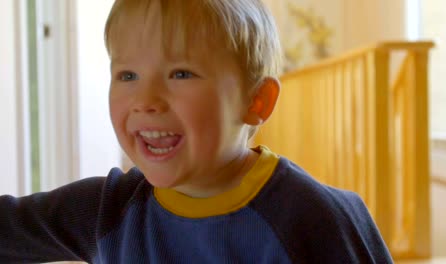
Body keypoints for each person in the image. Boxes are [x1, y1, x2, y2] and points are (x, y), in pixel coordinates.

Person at [0, 0, 393, 263]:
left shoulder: (314, 218)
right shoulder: (108, 212)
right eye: (128, 75)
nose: (146, 99)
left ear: (256, 101)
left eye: (180, 73)